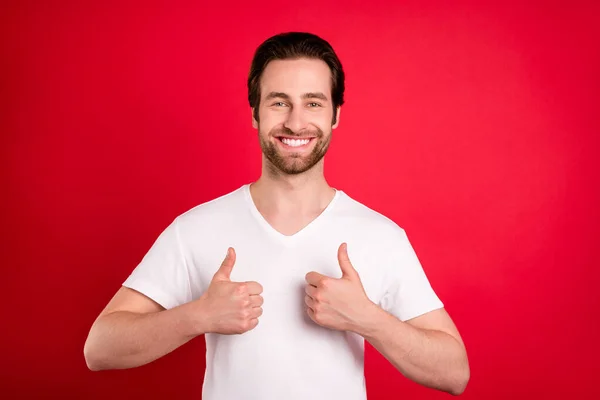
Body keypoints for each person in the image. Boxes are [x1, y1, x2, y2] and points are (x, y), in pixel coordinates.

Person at [83, 31, 470, 399]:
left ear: (335, 115)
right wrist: (198, 316)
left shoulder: (380, 236)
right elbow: (100, 348)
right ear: (255, 112)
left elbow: (454, 373)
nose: (296, 122)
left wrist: (366, 318)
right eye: (279, 102)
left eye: (314, 102)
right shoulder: (196, 229)